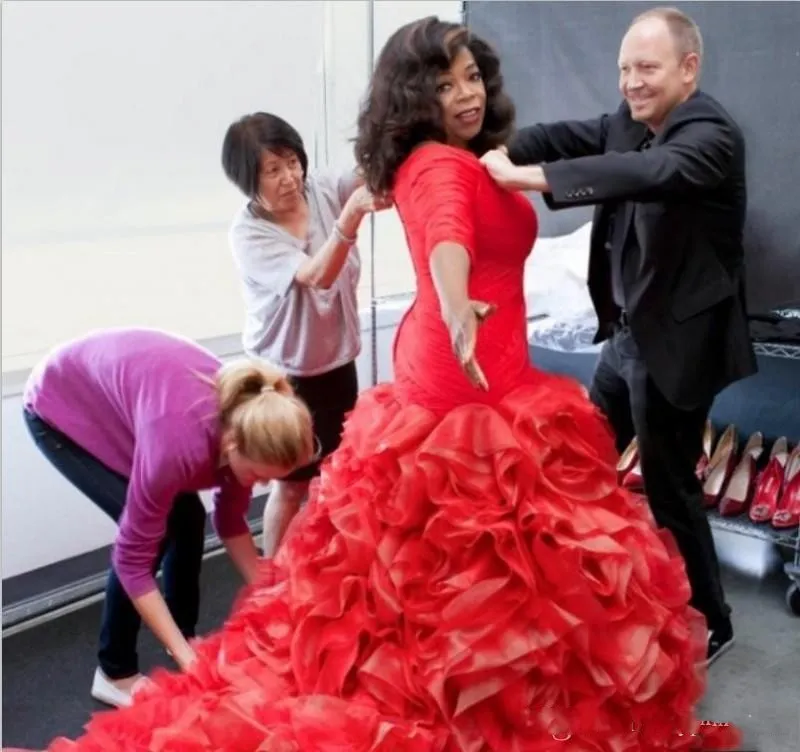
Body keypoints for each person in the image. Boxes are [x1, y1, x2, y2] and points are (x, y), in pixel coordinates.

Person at [33, 18, 741, 752]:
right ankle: (473, 717)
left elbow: (559, 158)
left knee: (496, 572)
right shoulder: (438, 164)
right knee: (469, 570)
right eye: (444, 84)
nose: (466, 94)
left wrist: (507, 194)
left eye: (471, 77)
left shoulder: (468, 151)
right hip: (460, 387)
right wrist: (459, 302)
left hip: (487, 379)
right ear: (414, 97)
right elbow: (445, 236)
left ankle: (508, 709)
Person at [481, 6, 755, 667]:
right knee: (578, 449)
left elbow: (648, 174)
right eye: (625, 68)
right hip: (627, 338)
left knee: (670, 489)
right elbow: (566, 136)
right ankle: (596, 587)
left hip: (676, 348)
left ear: (689, 69)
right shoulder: (628, 122)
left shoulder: (711, 135)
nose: (632, 82)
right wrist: (493, 154)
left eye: (647, 68)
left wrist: (531, 180)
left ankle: (712, 621)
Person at [22, 327, 315, 709]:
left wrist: (268, 587)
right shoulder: (177, 447)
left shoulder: (245, 427)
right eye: (258, 476)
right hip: (61, 408)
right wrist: (184, 656)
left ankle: (184, 631)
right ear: (231, 446)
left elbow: (229, 520)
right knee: (152, 537)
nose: (259, 486)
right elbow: (132, 562)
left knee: (187, 518)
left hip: (140, 403)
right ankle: (114, 672)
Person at [222, 112, 390, 557]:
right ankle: (272, 585)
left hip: (337, 364)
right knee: (292, 486)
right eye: (272, 171)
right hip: (283, 377)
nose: (289, 178)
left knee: (334, 474)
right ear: (246, 179)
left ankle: (321, 571)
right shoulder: (249, 234)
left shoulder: (320, 189)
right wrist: (350, 219)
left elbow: (367, 172)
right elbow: (317, 275)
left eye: (293, 162)